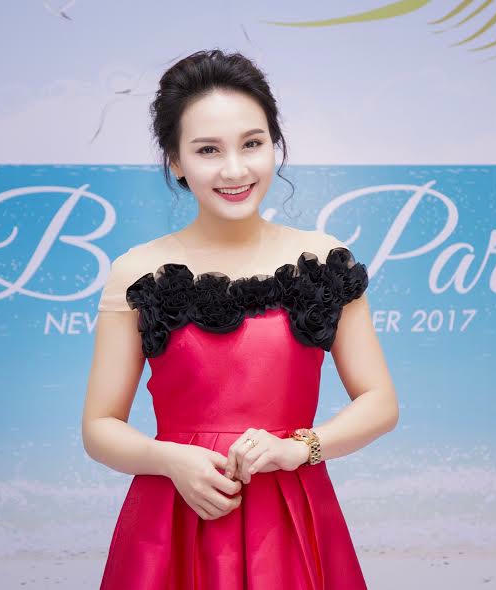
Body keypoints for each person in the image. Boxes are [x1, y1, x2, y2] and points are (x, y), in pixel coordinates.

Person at [82, 48, 399, 589]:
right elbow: (99, 427)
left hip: (292, 515)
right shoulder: (138, 271)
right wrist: (170, 460)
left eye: (252, 144)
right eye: (208, 150)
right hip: (173, 517)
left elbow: (380, 402)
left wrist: (298, 449)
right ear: (175, 160)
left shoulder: (323, 262)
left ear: (274, 145)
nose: (234, 169)